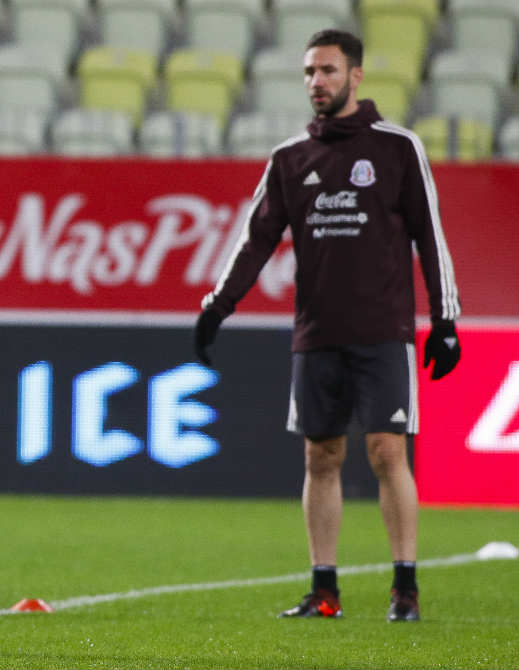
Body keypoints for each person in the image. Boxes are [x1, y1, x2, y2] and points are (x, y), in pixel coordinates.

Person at [194, 29, 461, 623]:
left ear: (356, 77)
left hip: (383, 331)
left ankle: (405, 590)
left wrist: (446, 320)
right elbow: (256, 239)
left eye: (329, 71)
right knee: (321, 456)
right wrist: (217, 306)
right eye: (310, 72)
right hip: (317, 334)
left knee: (389, 452)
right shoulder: (290, 158)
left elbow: (430, 235)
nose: (317, 82)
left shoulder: (397, 148)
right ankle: (324, 589)